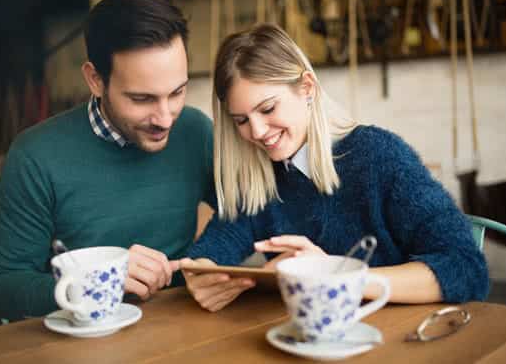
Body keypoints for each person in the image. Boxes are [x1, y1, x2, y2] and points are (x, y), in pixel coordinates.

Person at [181, 24, 489, 312]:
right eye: (241, 121)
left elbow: (466, 268)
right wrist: (203, 276)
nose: (258, 131)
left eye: (267, 108)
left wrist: (336, 275)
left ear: (307, 88)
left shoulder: (379, 155)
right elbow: (211, 251)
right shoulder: (260, 177)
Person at [0, 0, 214, 321]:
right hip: (83, 344)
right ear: (95, 80)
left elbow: (249, 216)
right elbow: (2, 289)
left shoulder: (195, 131)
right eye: (142, 98)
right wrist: (94, 282)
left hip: (185, 329)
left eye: (177, 92)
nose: (166, 118)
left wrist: (207, 257)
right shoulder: (35, 155)